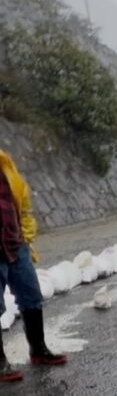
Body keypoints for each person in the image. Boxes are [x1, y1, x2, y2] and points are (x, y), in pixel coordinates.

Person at [0, 148, 67, 382]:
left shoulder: (5, 164)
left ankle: (39, 351)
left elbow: (23, 201)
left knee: (31, 295)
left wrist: (26, 237)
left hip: (15, 245)